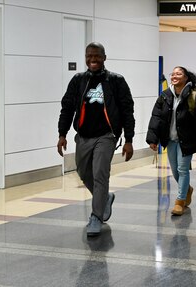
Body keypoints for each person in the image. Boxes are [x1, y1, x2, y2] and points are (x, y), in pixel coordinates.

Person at [57, 42, 135, 237]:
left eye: (97, 57)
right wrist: (62, 134)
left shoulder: (116, 81)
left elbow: (127, 110)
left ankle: (96, 217)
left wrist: (128, 139)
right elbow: (67, 107)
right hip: (83, 135)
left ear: (104, 58)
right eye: (89, 57)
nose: (93, 60)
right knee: (83, 172)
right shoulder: (78, 80)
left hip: (106, 135)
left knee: (100, 173)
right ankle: (105, 198)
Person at [146, 66, 196, 216]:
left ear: (186, 77)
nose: (175, 76)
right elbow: (156, 117)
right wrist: (152, 139)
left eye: (179, 74)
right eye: (173, 74)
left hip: (186, 140)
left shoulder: (193, 96)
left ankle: (180, 201)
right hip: (170, 140)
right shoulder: (165, 96)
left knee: (182, 169)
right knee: (175, 171)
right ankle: (187, 189)